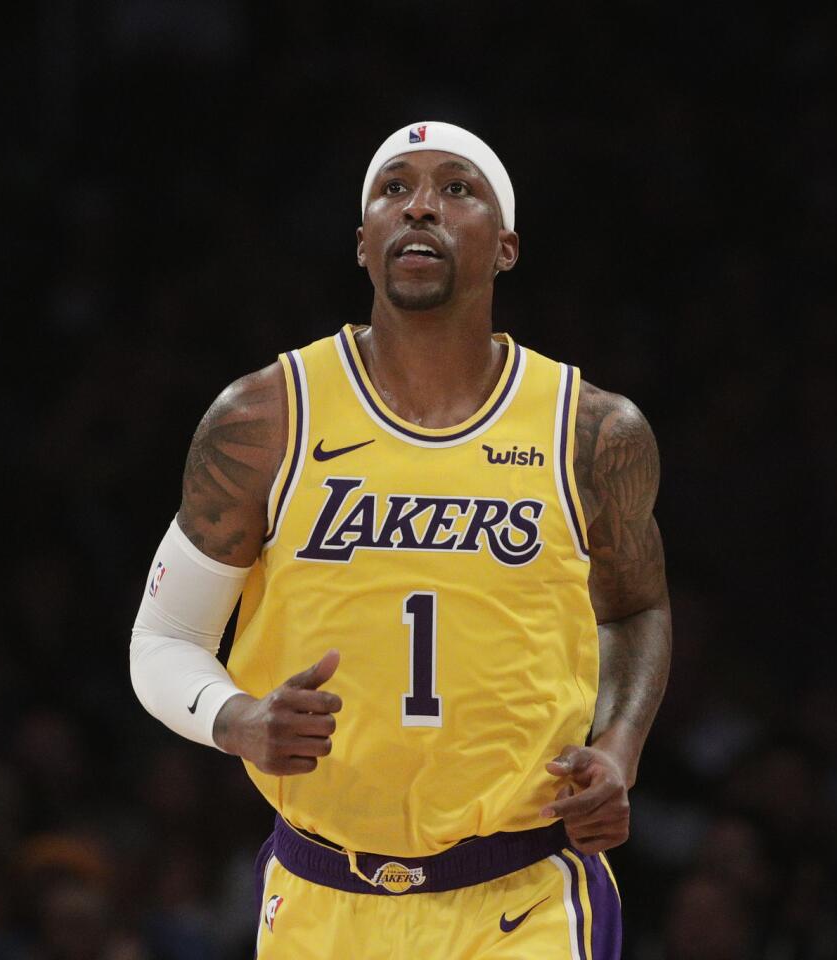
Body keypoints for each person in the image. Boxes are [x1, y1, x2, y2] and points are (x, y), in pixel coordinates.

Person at [130, 121, 672, 959]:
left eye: (457, 188)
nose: (420, 206)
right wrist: (234, 719)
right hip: (321, 899)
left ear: (506, 247)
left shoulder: (593, 431)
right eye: (394, 189)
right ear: (362, 243)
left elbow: (637, 609)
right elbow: (164, 640)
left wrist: (620, 749)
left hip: (523, 895)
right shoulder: (264, 418)